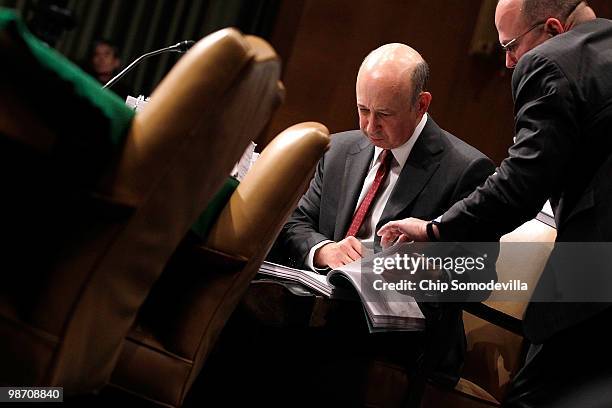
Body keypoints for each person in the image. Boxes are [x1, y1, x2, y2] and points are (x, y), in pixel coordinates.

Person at [378, 1, 612, 406]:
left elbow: (520, 185)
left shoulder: (549, 62)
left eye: (511, 46)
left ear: (553, 29)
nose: (508, 62)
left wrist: (436, 230)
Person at [279, 43, 494, 272]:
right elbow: (295, 224)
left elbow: (477, 277)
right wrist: (322, 250)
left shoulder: (467, 170)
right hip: (315, 297)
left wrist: (414, 270)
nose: (371, 127)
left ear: (421, 105)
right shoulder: (337, 150)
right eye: (363, 110)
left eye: (384, 114)